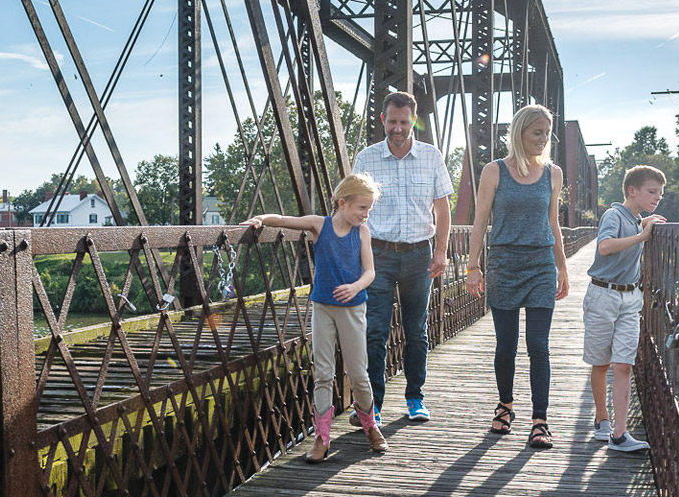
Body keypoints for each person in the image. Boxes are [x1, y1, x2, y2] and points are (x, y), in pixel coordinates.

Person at [240, 173, 389, 463]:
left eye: (369, 209)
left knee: (358, 374)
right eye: (362, 208)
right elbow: (283, 220)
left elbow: (370, 272)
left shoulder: (363, 233)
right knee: (323, 372)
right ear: (343, 203)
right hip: (322, 307)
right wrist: (260, 218)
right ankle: (322, 438)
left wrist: (355, 286)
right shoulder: (320, 225)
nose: (365, 214)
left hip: (353, 308)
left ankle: (371, 427)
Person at [466, 104, 569, 449]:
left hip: (540, 263)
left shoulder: (553, 173)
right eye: (536, 132)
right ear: (520, 133)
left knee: (539, 346)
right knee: (506, 346)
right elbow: (480, 221)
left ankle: (540, 420)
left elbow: (553, 222)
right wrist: (472, 266)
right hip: (504, 264)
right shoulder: (495, 171)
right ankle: (505, 405)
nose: (543, 139)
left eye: (547, 132)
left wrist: (563, 266)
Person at [350, 91, 453, 426]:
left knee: (416, 331)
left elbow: (442, 207)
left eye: (404, 122)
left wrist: (441, 250)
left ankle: (415, 398)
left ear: (414, 122)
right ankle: (372, 406)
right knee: (375, 332)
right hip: (377, 255)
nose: (397, 128)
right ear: (383, 120)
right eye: (392, 121)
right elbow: (353, 208)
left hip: (418, 255)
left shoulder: (431, 156)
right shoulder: (366, 158)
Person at [585, 165, 666, 453]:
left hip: (631, 297)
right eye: (652, 191)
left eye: (660, 193)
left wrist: (643, 226)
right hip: (603, 295)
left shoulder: (636, 220)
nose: (658, 197)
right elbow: (605, 247)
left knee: (623, 364)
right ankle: (601, 419)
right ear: (632, 191)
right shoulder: (614, 215)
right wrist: (644, 236)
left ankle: (619, 435)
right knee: (602, 362)